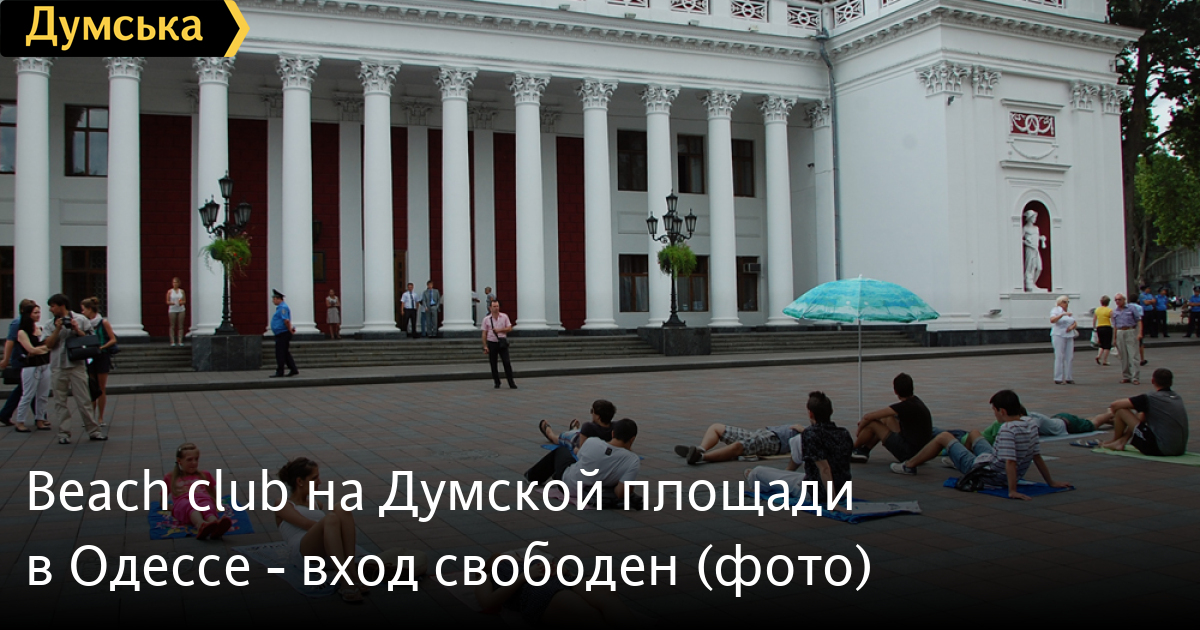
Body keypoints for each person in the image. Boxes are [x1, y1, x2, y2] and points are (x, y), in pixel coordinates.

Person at [892, 390, 1070, 500]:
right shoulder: (1031, 423)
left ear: (1002, 411)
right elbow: (1036, 456)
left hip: (987, 472)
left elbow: (1010, 462)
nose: (995, 415)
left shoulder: (1007, 429)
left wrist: (1012, 490)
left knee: (944, 436)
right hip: (993, 461)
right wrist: (1051, 482)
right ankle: (956, 460)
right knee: (975, 433)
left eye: (994, 411)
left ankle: (909, 465)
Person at [274, 457, 367, 602]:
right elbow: (305, 524)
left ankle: (352, 573)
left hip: (327, 552)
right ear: (300, 482)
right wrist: (337, 529)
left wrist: (336, 530)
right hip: (304, 554)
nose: (320, 482)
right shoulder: (282, 503)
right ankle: (344, 580)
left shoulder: (317, 503)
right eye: (314, 478)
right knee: (331, 519)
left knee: (342, 507)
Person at [744, 391, 854, 506]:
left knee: (758, 472)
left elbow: (825, 469)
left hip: (814, 492)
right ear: (831, 411)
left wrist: (833, 502)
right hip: (839, 488)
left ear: (810, 414)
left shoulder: (811, 435)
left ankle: (756, 477)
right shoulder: (844, 433)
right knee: (791, 475)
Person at [474, 550, 638, 625]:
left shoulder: (530, 559)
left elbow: (567, 572)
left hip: (564, 578)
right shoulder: (488, 575)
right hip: (538, 590)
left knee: (604, 593)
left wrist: (560, 569)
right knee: (585, 613)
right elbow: (488, 602)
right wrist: (524, 577)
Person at [527, 419, 640, 507]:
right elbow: (621, 493)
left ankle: (532, 476)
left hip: (568, 483)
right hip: (589, 491)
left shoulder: (593, 442)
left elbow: (579, 457)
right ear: (632, 439)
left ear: (613, 433)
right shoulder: (632, 460)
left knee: (562, 451)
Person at [45, 293, 101, 444]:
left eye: (53, 306)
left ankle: (94, 431)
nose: (51, 309)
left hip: (77, 365)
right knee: (60, 401)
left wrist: (77, 329)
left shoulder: (80, 319)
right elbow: (48, 344)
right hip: (58, 365)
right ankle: (64, 433)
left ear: (61, 306)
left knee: (84, 399)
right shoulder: (50, 324)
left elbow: (90, 339)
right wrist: (57, 329)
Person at [1096, 368, 1188, 456]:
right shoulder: (1177, 398)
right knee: (1142, 413)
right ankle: (1122, 441)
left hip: (1160, 448)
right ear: (1171, 382)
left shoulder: (1151, 398)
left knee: (1121, 411)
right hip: (1180, 449)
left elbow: (1115, 405)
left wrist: (1111, 413)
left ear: (1153, 381)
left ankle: (1116, 441)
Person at [850, 372, 932, 464]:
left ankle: (852, 449)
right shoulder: (916, 402)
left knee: (873, 424)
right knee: (886, 418)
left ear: (895, 391)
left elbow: (868, 417)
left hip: (909, 453)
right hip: (921, 452)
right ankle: (864, 451)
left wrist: (859, 429)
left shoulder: (905, 406)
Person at [165, 443, 232, 540]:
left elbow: (213, 492)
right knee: (190, 506)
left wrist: (217, 503)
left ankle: (215, 523)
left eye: (196, 459)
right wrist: (172, 508)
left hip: (202, 499)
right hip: (184, 502)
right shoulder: (170, 477)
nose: (194, 462)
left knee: (207, 505)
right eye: (189, 460)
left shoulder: (204, 474)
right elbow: (163, 500)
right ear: (179, 461)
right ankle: (201, 524)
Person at [673, 418, 802, 465]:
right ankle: (700, 449)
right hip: (763, 433)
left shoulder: (810, 434)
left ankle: (700, 457)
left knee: (739, 447)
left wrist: (803, 430)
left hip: (774, 442)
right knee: (716, 427)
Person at [13, 302, 51, 433]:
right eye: (35, 313)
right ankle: (20, 421)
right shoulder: (22, 332)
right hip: (30, 366)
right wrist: (43, 349)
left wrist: (40, 349)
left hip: (44, 364)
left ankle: (40, 419)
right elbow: (30, 349)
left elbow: (48, 346)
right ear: (28, 314)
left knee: (43, 395)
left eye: (39, 312)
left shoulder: (40, 329)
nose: (38, 315)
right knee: (28, 394)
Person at [81, 297, 118, 427]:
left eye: (83, 309)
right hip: (90, 356)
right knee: (91, 388)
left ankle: (100, 418)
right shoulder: (84, 323)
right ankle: (90, 418)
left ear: (90, 309)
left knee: (101, 388)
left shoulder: (103, 322)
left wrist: (102, 347)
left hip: (102, 356)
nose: (82, 312)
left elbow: (113, 339)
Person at [0, 298, 36, 427]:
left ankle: (40, 416)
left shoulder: (30, 322)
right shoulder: (17, 323)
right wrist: (6, 359)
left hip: (29, 360)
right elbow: (10, 341)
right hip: (20, 359)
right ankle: (5, 414)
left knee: (26, 387)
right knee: (25, 387)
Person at [538, 399, 616, 452]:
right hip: (582, 435)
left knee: (559, 438)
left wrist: (576, 450)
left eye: (592, 411)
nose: (591, 414)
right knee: (578, 432)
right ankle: (574, 429)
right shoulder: (615, 427)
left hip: (575, 440)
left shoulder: (588, 427)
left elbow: (579, 450)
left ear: (598, 417)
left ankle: (549, 433)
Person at [482, 299, 517, 389]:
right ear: (490, 308)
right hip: (492, 342)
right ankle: (497, 382)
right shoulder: (486, 319)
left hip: (502, 342)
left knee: (507, 362)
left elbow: (509, 328)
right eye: (494, 306)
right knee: (493, 363)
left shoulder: (504, 317)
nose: (496, 308)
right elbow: (484, 333)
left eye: (497, 306)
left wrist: (500, 330)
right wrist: (485, 346)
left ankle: (511, 382)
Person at [1110, 294, 1143, 384]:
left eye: (1119, 299)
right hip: (1120, 332)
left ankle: (1135, 377)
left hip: (1130, 330)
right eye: (1116, 300)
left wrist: (1140, 333)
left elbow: (1139, 320)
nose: (1117, 301)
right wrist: (1114, 338)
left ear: (1124, 300)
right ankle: (1126, 376)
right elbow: (1115, 326)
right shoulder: (1115, 311)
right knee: (1123, 356)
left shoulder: (1131, 308)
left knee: (1133, 354)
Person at [270, 289, 298, 378]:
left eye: (274, 299)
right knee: (285, 352)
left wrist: (290, 330)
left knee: (280, 353)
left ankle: (280, 371)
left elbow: (286, 320)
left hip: (283, 333)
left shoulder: (283, 308)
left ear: (279, 299)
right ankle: (293, 369)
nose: (273, 301)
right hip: (281, 333)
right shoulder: (281, 307)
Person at [1050, 295, 1077, 384]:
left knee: (1069, 356)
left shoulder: (1069, 311)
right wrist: (1061, 315)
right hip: (1058, 334)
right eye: (1064, 302)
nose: (1066, 304)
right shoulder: (1055, 310)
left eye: (1067, 302)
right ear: (1059, 303)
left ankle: (1069, 377)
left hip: (1069, 334)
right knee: (1059, 356)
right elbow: (1052, 320)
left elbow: (1074, 322)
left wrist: (1072, 327)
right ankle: (1058, 378)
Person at [1022, 209, 1046, 291]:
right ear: (1029, 218)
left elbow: (1036, 237)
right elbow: (1019, 239)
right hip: (1030, 249)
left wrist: (1041, 238)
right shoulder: (1025, 228)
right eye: (1034, 217)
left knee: (1039, 267)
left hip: (1036, 249)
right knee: (1030, 267)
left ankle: (1033, 283)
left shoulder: (1036, 228)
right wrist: (1026, 242)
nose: (1035, 219)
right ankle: (1029, 284)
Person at [166, 277, 186, 347]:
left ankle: (180, 341)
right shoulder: (170, 291)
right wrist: (172, 303)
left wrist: (181, 302)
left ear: (179, 283)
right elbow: (167, 301)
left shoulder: (182, 291)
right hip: (172, 309)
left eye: (176, 282)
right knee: (172, 325)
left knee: (180, 325)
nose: (175, 284)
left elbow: (184, 300)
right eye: (174, 282)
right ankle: (172, 341)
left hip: (181, 309)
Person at [1093, 295, 1113, 365]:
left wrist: (1094, 327)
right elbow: (1113, 319)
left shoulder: (1097, 310)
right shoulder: (1109, 310)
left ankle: (1099, 355)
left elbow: (1094, 319)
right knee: (1107, 344)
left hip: (1099, 327)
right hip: (1107, 327)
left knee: (1101, 343)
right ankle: (1105, 360)